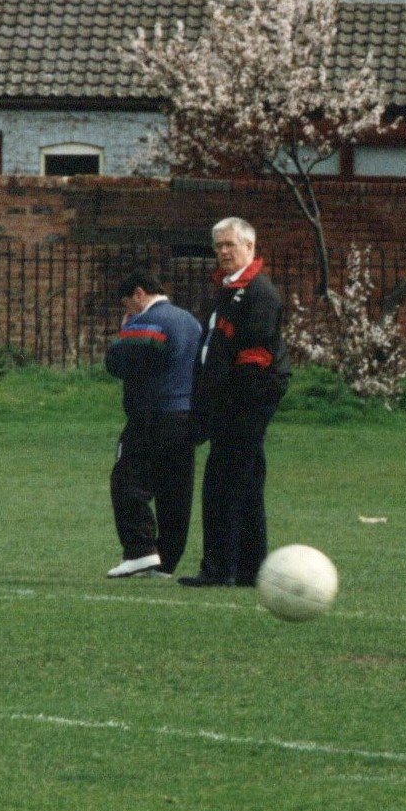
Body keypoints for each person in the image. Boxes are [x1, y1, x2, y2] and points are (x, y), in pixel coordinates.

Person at [179, 217, 291, 588]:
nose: (223, 252)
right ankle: (249, 568)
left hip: (245, 403)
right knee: (245, 482)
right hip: (232, 403)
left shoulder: (258, 293)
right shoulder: (229, 291)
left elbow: (255, 359)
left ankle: (219, 569)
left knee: (223, 483)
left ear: (249, 247)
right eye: (218, 246)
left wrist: (230, 408)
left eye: (230, 245)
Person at [103, 270, 203, 579]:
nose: (127, 313)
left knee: (127, 480)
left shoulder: (150, 321)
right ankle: (166, 560)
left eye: (126, 305)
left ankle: (139, 551)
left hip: (151, 413)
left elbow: (119, 363)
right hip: (185, 415)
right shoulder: (191, 321)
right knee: (175, 490)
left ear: (138, 293)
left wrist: (123, 334)